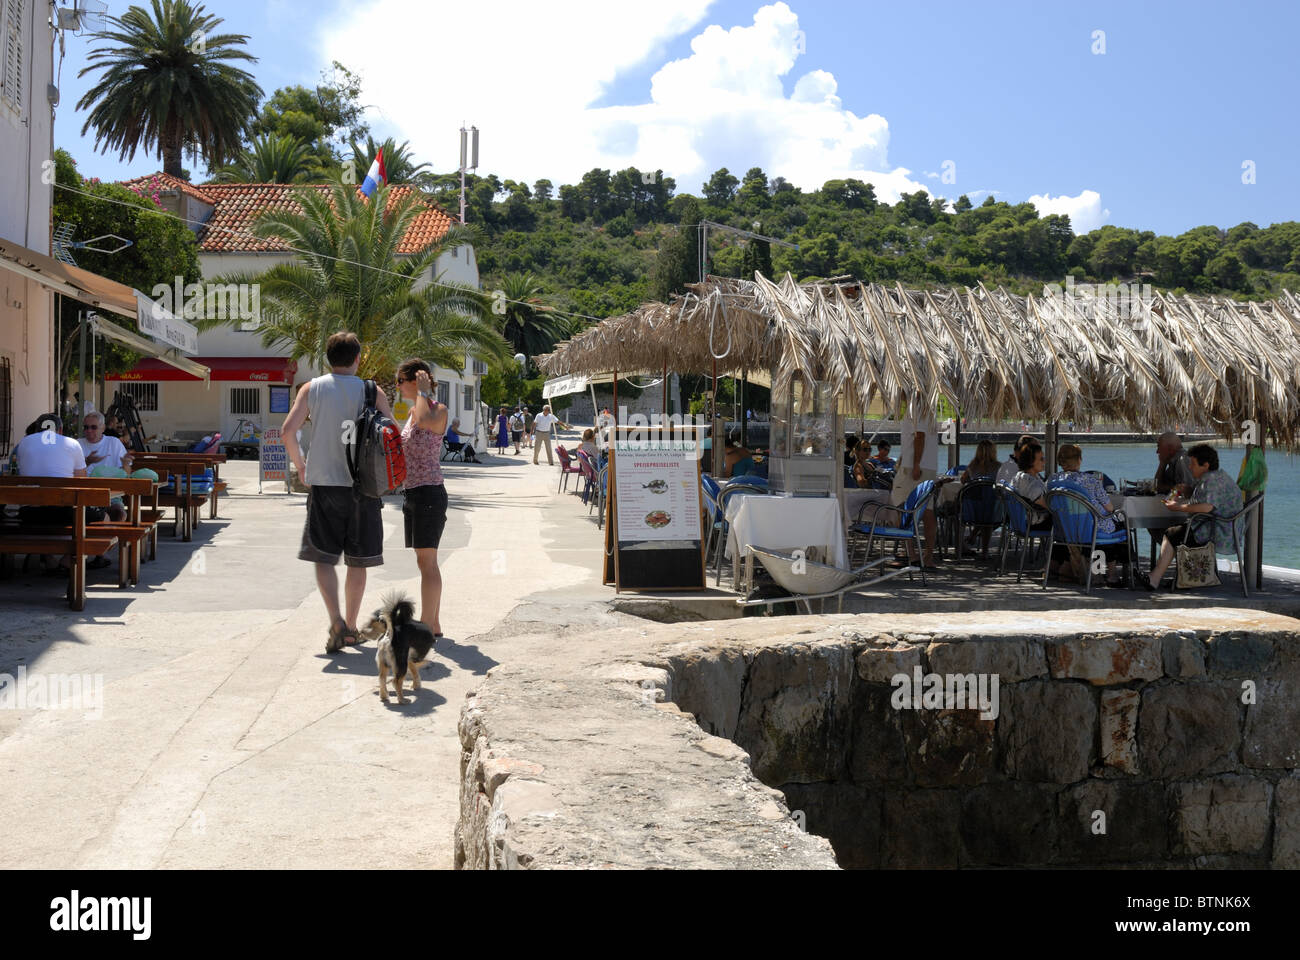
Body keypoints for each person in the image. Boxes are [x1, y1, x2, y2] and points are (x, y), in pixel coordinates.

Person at [282, 331, 393, 654]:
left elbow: (288, 431)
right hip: (364, 487)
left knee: (323, 556)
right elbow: (391, 437)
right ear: (358, 358)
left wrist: (301, 466)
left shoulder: (312, 388)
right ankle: (351, 626)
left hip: (324, 485)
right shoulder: (372, 391)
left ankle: (335, 621)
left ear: (327, 359)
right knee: (357, 561)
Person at [1140, 444, 1242, 590]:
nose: (1190, 467)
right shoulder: (1216, 476)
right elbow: (1205, 500)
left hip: (1219, 531)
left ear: (1205, 465)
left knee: (1172, 534)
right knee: (1177, 533)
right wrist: (1189, 491)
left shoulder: (1212, 481)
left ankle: (1154, 579)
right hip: (1221, 527)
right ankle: (1181, 578)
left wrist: (1177, 507)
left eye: (1193, 464)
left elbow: (1206, 507)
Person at [394, 358, 448, 636]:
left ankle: (426, 627)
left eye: (400, 381)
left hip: (429, 491)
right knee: (425, 561)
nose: (397, 387)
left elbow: (427, 423)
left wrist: (424, 394)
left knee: (427, 562)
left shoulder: (437, 410)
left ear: (416, 381)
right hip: (413, 491)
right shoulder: (413, 410)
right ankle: (434, 623)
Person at [1054, 443, 1123, 586]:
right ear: (1079, 459)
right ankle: (1112, 573)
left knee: (1101, 527)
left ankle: (1095, 572)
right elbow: (1109, 507)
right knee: (1119, 524)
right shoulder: (1091, 480)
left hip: (1067, 529)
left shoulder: (1053, 481)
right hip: (1092, 527)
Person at [890, 402, 939, 569]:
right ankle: (926, 556)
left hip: (914, 468)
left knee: (900, 507)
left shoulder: (916, 407)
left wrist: (916, 463)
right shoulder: (929, 408)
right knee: (928, 511)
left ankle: (912, 553)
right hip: (926, 466)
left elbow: (919, 436)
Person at [1154, 431, 1195, 498]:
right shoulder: (1173, 460)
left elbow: (1187, 490)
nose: (1157, 451)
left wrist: (1168, 490)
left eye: (1159, 446)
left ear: (1170, 448)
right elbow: (1157, 487)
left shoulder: (1183, 460)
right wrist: (1162, 464)